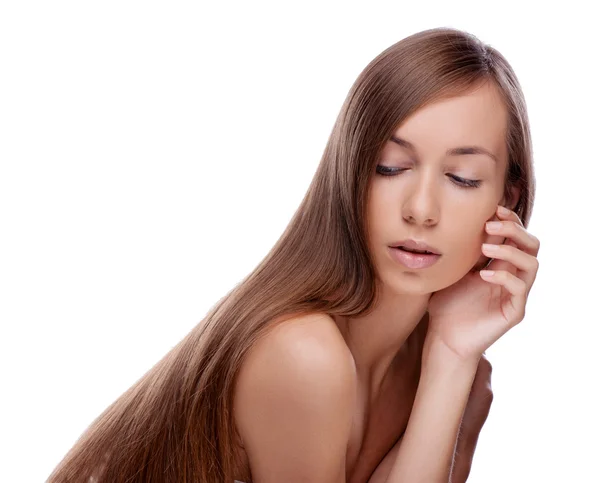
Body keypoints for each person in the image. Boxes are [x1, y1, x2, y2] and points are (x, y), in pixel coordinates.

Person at [48, 26, 540, 483]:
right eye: (390, 168)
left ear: (507, 198)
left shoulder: (460, 378)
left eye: (462, 179)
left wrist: (452, 355)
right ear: (348, 170)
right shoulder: (303, 354)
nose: (420, 209)